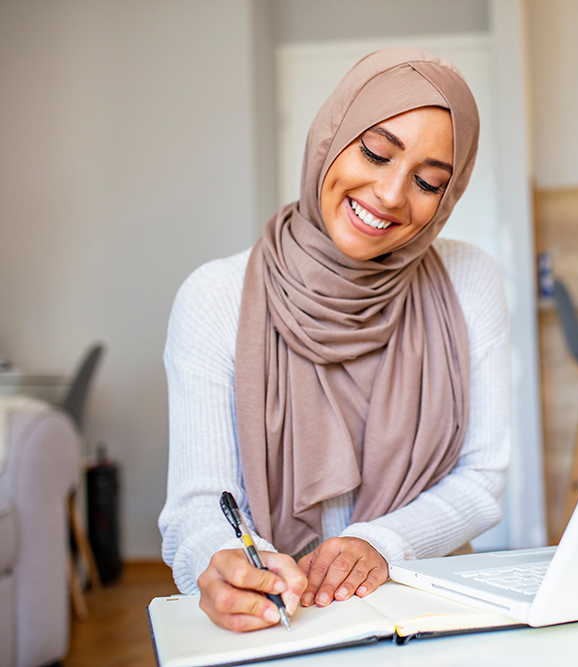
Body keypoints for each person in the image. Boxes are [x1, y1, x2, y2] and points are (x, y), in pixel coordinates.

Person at [158, 48, 510, 633]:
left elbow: (482, 479)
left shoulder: (470, 281)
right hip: (283, 624)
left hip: (425, 614)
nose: (393, 194)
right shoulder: (213, 297)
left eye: (428, 182)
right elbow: (199, 507)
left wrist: (381, 544)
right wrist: (217, 562)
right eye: (375, 151)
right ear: (331, 136)